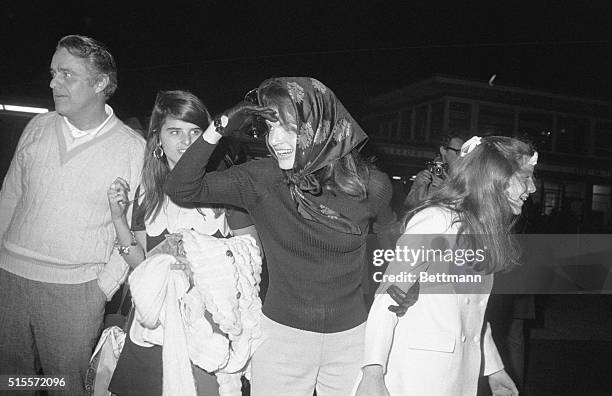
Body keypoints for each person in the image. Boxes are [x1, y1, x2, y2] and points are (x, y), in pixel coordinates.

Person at [164, 77, 396, 395]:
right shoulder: (262, 179)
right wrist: (219, 126)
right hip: (281, 342)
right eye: (270, 128)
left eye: (288, 127)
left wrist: (399, 284)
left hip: (353, 342)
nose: (276, 140)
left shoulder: (372, 185)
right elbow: (182, 187)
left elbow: (390, 237)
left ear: (321, 127)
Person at [0, 35, 145, 395]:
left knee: (65, 384)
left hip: (75, 293)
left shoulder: (133, 148)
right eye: (53, 73)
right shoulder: (37, 128)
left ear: (99, 84)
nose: (53, 83)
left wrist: (103, 288)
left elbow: (133, 230)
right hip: (10, 281)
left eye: (66, 74)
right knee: (12, 381)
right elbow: (10, 196)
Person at [355, 135, 537, 396]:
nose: (531, 188)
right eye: (526, 177)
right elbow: (387, 298)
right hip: (415, 376)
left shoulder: (482, 231)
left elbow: (473, 315)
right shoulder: (434, 221)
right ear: (495, 177)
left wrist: (495, 370)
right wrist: (372, 372)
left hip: (457, 376)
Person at [107, 90, 259, 396]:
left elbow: (253, 257)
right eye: (174, 132)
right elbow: (142, 264)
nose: (186, 142)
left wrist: (200, 257)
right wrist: (118, 218)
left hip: (206, 331)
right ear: (158, 139)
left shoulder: (226, 188)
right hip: (152, 325)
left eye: (195, 132)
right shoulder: (146, 193)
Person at [403, 129, 467, 210]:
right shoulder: (426, 175)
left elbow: (467, 210)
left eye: (463, 152)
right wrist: (421, 188)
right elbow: (408, 206)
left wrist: (446, 189)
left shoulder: (466, 178)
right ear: (443, 150)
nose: (462, 156)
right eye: (458, 151)